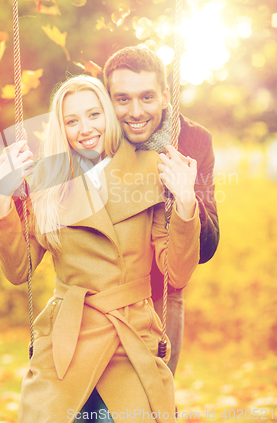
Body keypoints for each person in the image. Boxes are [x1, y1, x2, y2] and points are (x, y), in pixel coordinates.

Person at [0, 75, 201, 422]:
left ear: (108, 115)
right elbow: (18, 271)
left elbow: (177, 271)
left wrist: (186, 202)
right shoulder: (47, 181)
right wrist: (1, 195)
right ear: (62, 127)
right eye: (72, 120)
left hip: (130, 340)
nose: (85, 129)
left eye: (93, 115)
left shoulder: (152, 170)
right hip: (66, 342)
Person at [104, 46, 219, 377]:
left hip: (160, 295)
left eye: (147, 97)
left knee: (154, 400)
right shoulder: (95, 136)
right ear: (108, 99)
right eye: (122, 99)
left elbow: (206, 249)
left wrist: (185, 200)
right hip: (103, 293)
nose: (136, 111)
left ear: (166, 96)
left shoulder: (193, 141)